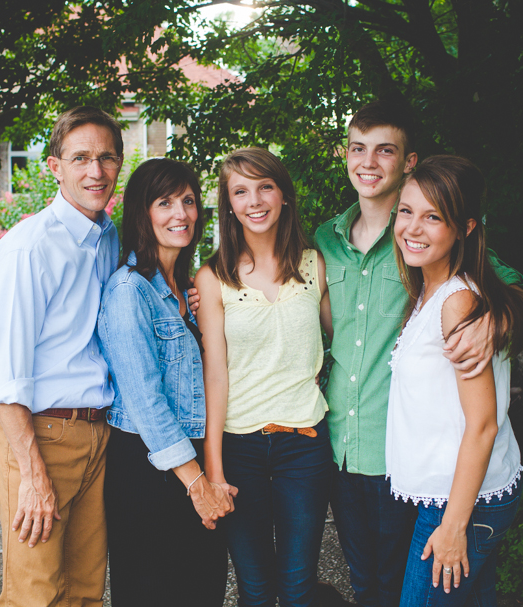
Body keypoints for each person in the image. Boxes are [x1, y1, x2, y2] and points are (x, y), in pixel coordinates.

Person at [314, 101, 523, 607]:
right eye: (358, 148)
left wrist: (496, 316)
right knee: (376, 584)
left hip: (421, 473)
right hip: (349, 446)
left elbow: (503, 286)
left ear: (408, 161)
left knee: (404, 589)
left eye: (385, 150)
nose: (368, 162)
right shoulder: (327, 241)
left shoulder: (443, 271)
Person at [0, 106, 122, 606]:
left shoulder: (107, 238)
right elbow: (3, 381)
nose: (95, 172)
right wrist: (33, 475)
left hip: (97, 435)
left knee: (84, 593)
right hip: (39, 437)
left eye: (106, 158)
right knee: (34, 596)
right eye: (80, 158)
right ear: (54, 167)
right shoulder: (27, 250)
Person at [386, 155, 523, 606]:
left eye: (433, 217)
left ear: (465, 227)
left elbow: (483, 423)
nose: (413, 227)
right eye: (407, 211)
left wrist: (453, 526)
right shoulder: (432, 291)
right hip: (457, 493)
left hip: (460, 502)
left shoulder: (458, 301)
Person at [195, 147, 333, 607]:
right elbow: (216, 376)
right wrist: (213, 469)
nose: (254, 200)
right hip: (239, 448)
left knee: (297, 587)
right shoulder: (213, 278)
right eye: (240, 191)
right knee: (254, 589)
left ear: (284, 195)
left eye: (264, 186)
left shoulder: (316, 266)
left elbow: (352, 336)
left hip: (305, 443)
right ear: (229, 205)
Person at [96, 158, 235, 607]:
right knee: (153, 593)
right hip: (147, 469)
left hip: (192, 459)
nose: (181, 214)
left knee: (202, 589)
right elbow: (146, 402)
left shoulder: (186, 289)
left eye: (189, 201)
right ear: (143, 212)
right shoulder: (128, 290)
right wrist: (198, 485)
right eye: (165, 202)